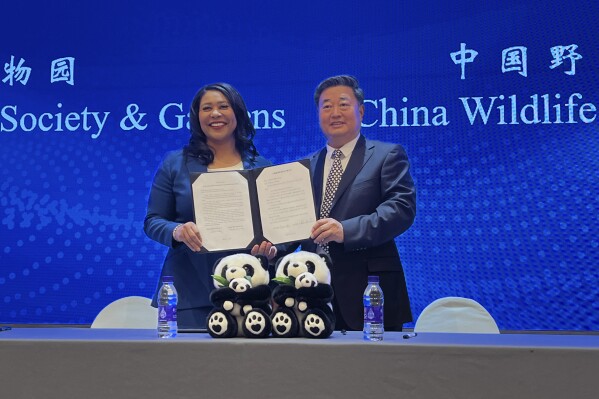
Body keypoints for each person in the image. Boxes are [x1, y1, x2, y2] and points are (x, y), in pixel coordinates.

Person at [144, 82, 277, 329]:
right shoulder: (175, 163)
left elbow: (274, 229)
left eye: (223, 106)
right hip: (189, 290)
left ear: (237, 113)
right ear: (197, 118)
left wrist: (271, 248)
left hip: (248, 289)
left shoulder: (263, 167)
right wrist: (178, 231)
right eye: (207, 108)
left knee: (248, 367)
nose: (215, 114)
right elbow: (152, 221)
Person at [300, 75, 416, 331]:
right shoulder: (304, 167)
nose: (335, 113)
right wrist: (275, 247)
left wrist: (346, 231)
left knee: (378, 370)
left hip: (370, 289)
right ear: (318, 114)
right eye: (326, 106)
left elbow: (400, 209)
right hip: (314, 292)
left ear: (360, 111)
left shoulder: (387, 155)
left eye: (343, 104)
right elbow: (294, 223)